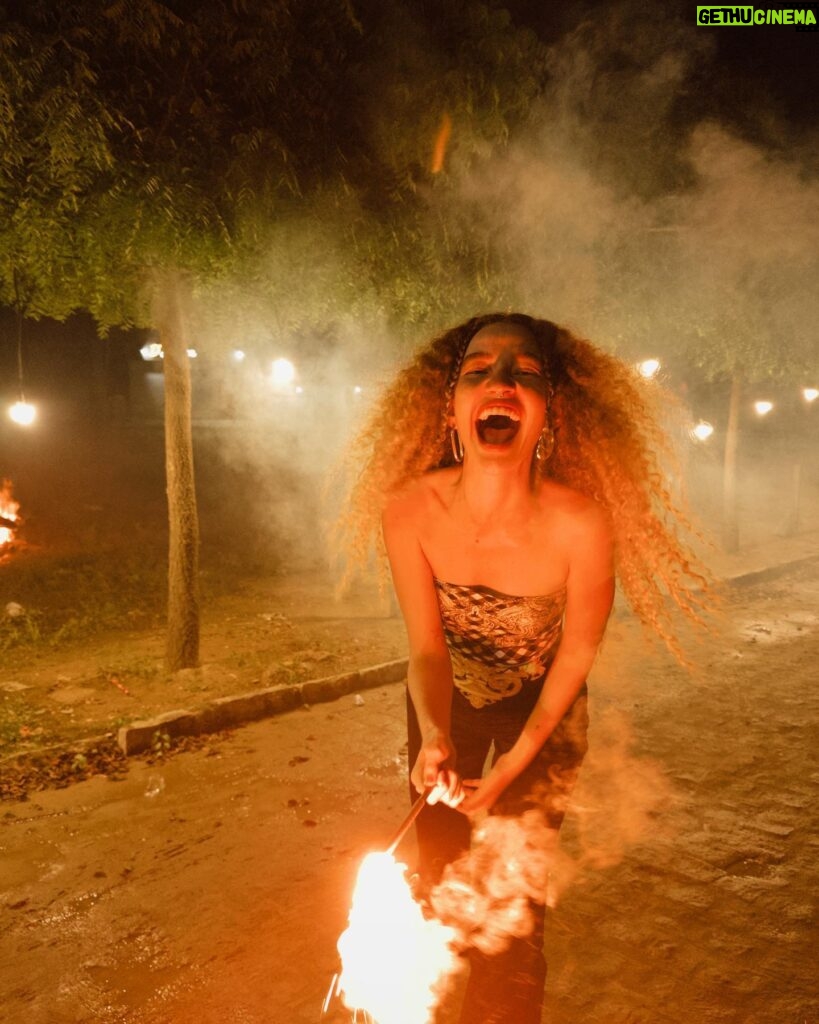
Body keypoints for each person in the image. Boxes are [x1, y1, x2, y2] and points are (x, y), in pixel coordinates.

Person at [338, 312, 710, 1024]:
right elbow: (425, 648)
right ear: (451, 408)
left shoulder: (581, 524)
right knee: (440, 882)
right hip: (443, 709)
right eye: (477, 370)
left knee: (512, 906)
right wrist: (435, 733)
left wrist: (516, 763)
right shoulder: (409, 510)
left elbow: (575, 651)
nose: (500, 381)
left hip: (545, 718)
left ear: (551, 414)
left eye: (525, 373)